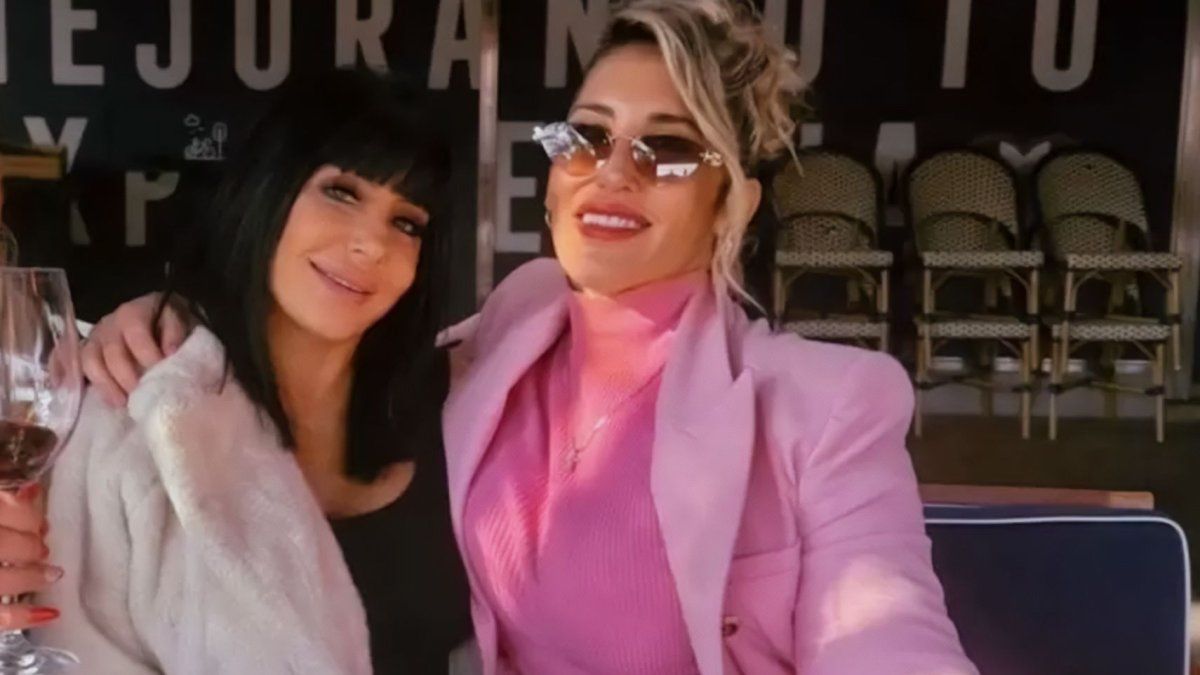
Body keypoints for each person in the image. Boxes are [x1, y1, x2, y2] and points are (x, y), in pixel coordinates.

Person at [68, 1, 979, 673]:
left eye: (667, 149)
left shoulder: (824, 404)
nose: (612, 173)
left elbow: (889, 634)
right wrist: (176, 318)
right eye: (588, 137)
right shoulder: (507, 336)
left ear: (729, 202)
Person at [0, 69, 473, 674]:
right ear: (268, 193)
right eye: (341, 192)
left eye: (406, 223)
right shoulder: (131, 415)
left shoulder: (463, 404)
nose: (371, 245)